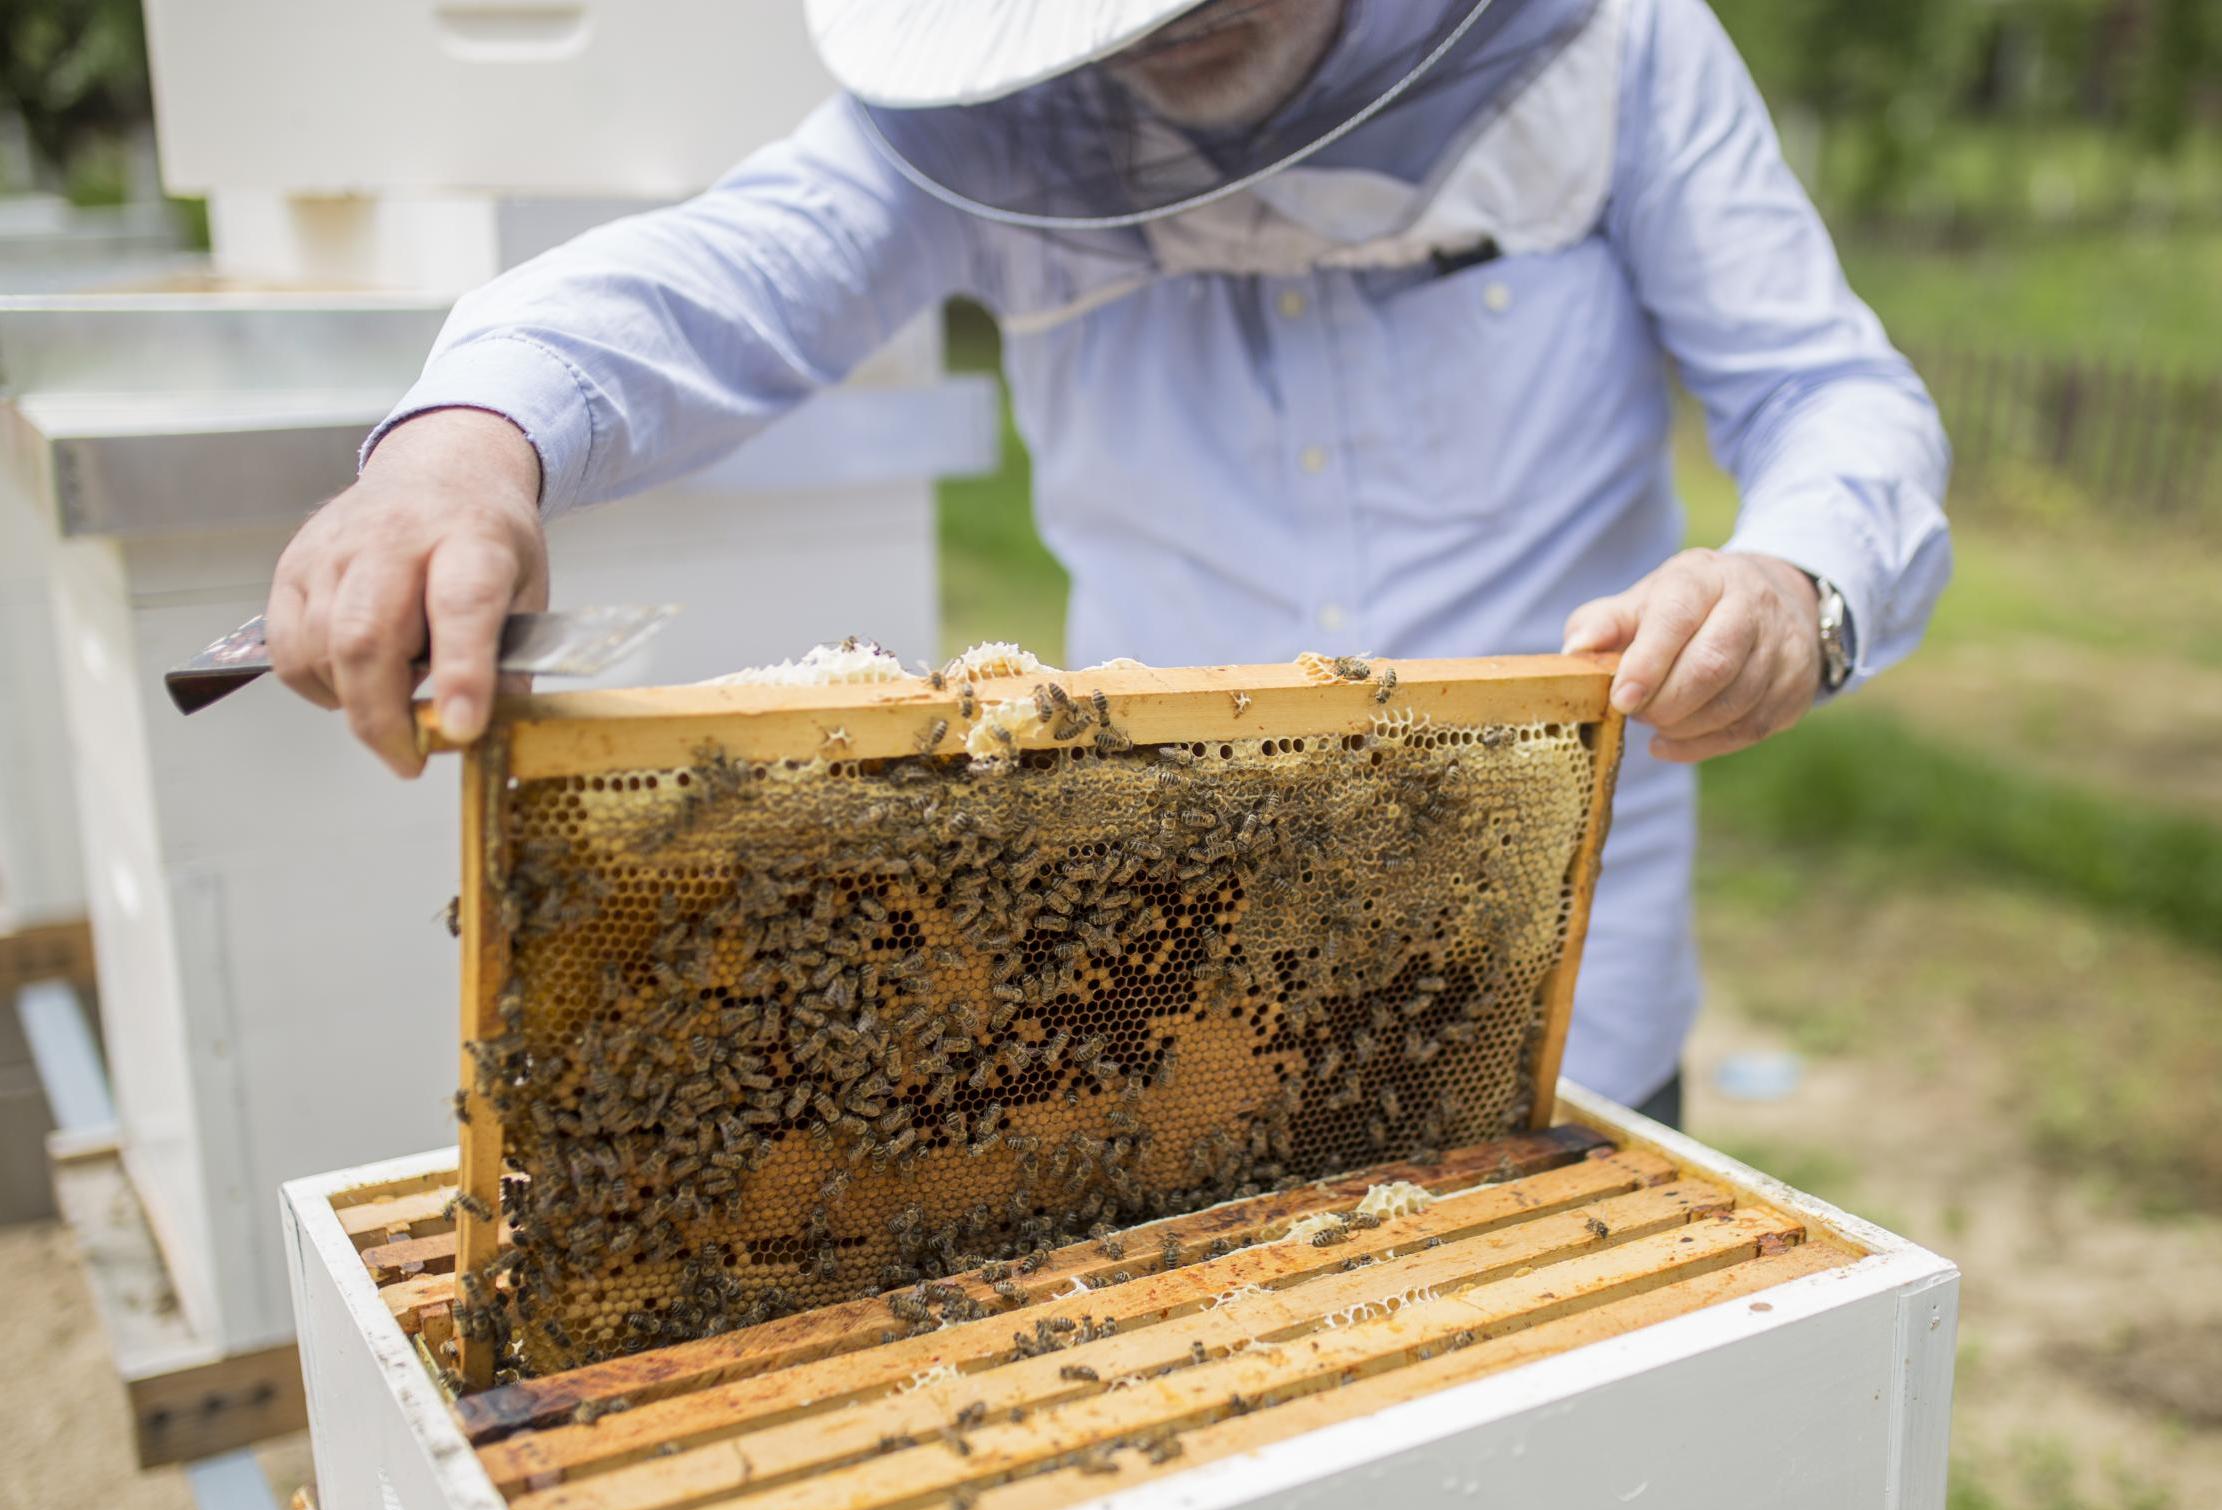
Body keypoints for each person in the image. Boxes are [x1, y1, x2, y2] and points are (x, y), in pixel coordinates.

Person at [262, 0, 1951, 1126]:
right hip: (1158, 961)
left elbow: (1824, 390)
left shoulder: (1620, 49)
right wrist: (466, 444)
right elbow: (729, 270)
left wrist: (1793, 578)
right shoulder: (977, 128)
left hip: (1563, 975)